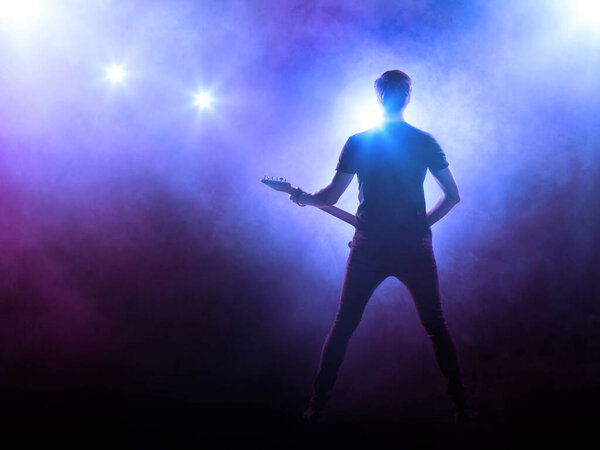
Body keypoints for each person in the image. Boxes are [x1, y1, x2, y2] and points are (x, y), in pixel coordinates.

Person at [290, 70, 470, 425]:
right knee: (435, 325)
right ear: (407, 97)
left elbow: (329, 197)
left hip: (369, 246)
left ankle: (316, 407)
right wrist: (421, 226)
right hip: (413, 246)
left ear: (378, 98)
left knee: (343, 326)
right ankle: (462, 406)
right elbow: (453, 197)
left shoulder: (358, 142)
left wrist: (304, 199)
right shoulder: (423, 140)